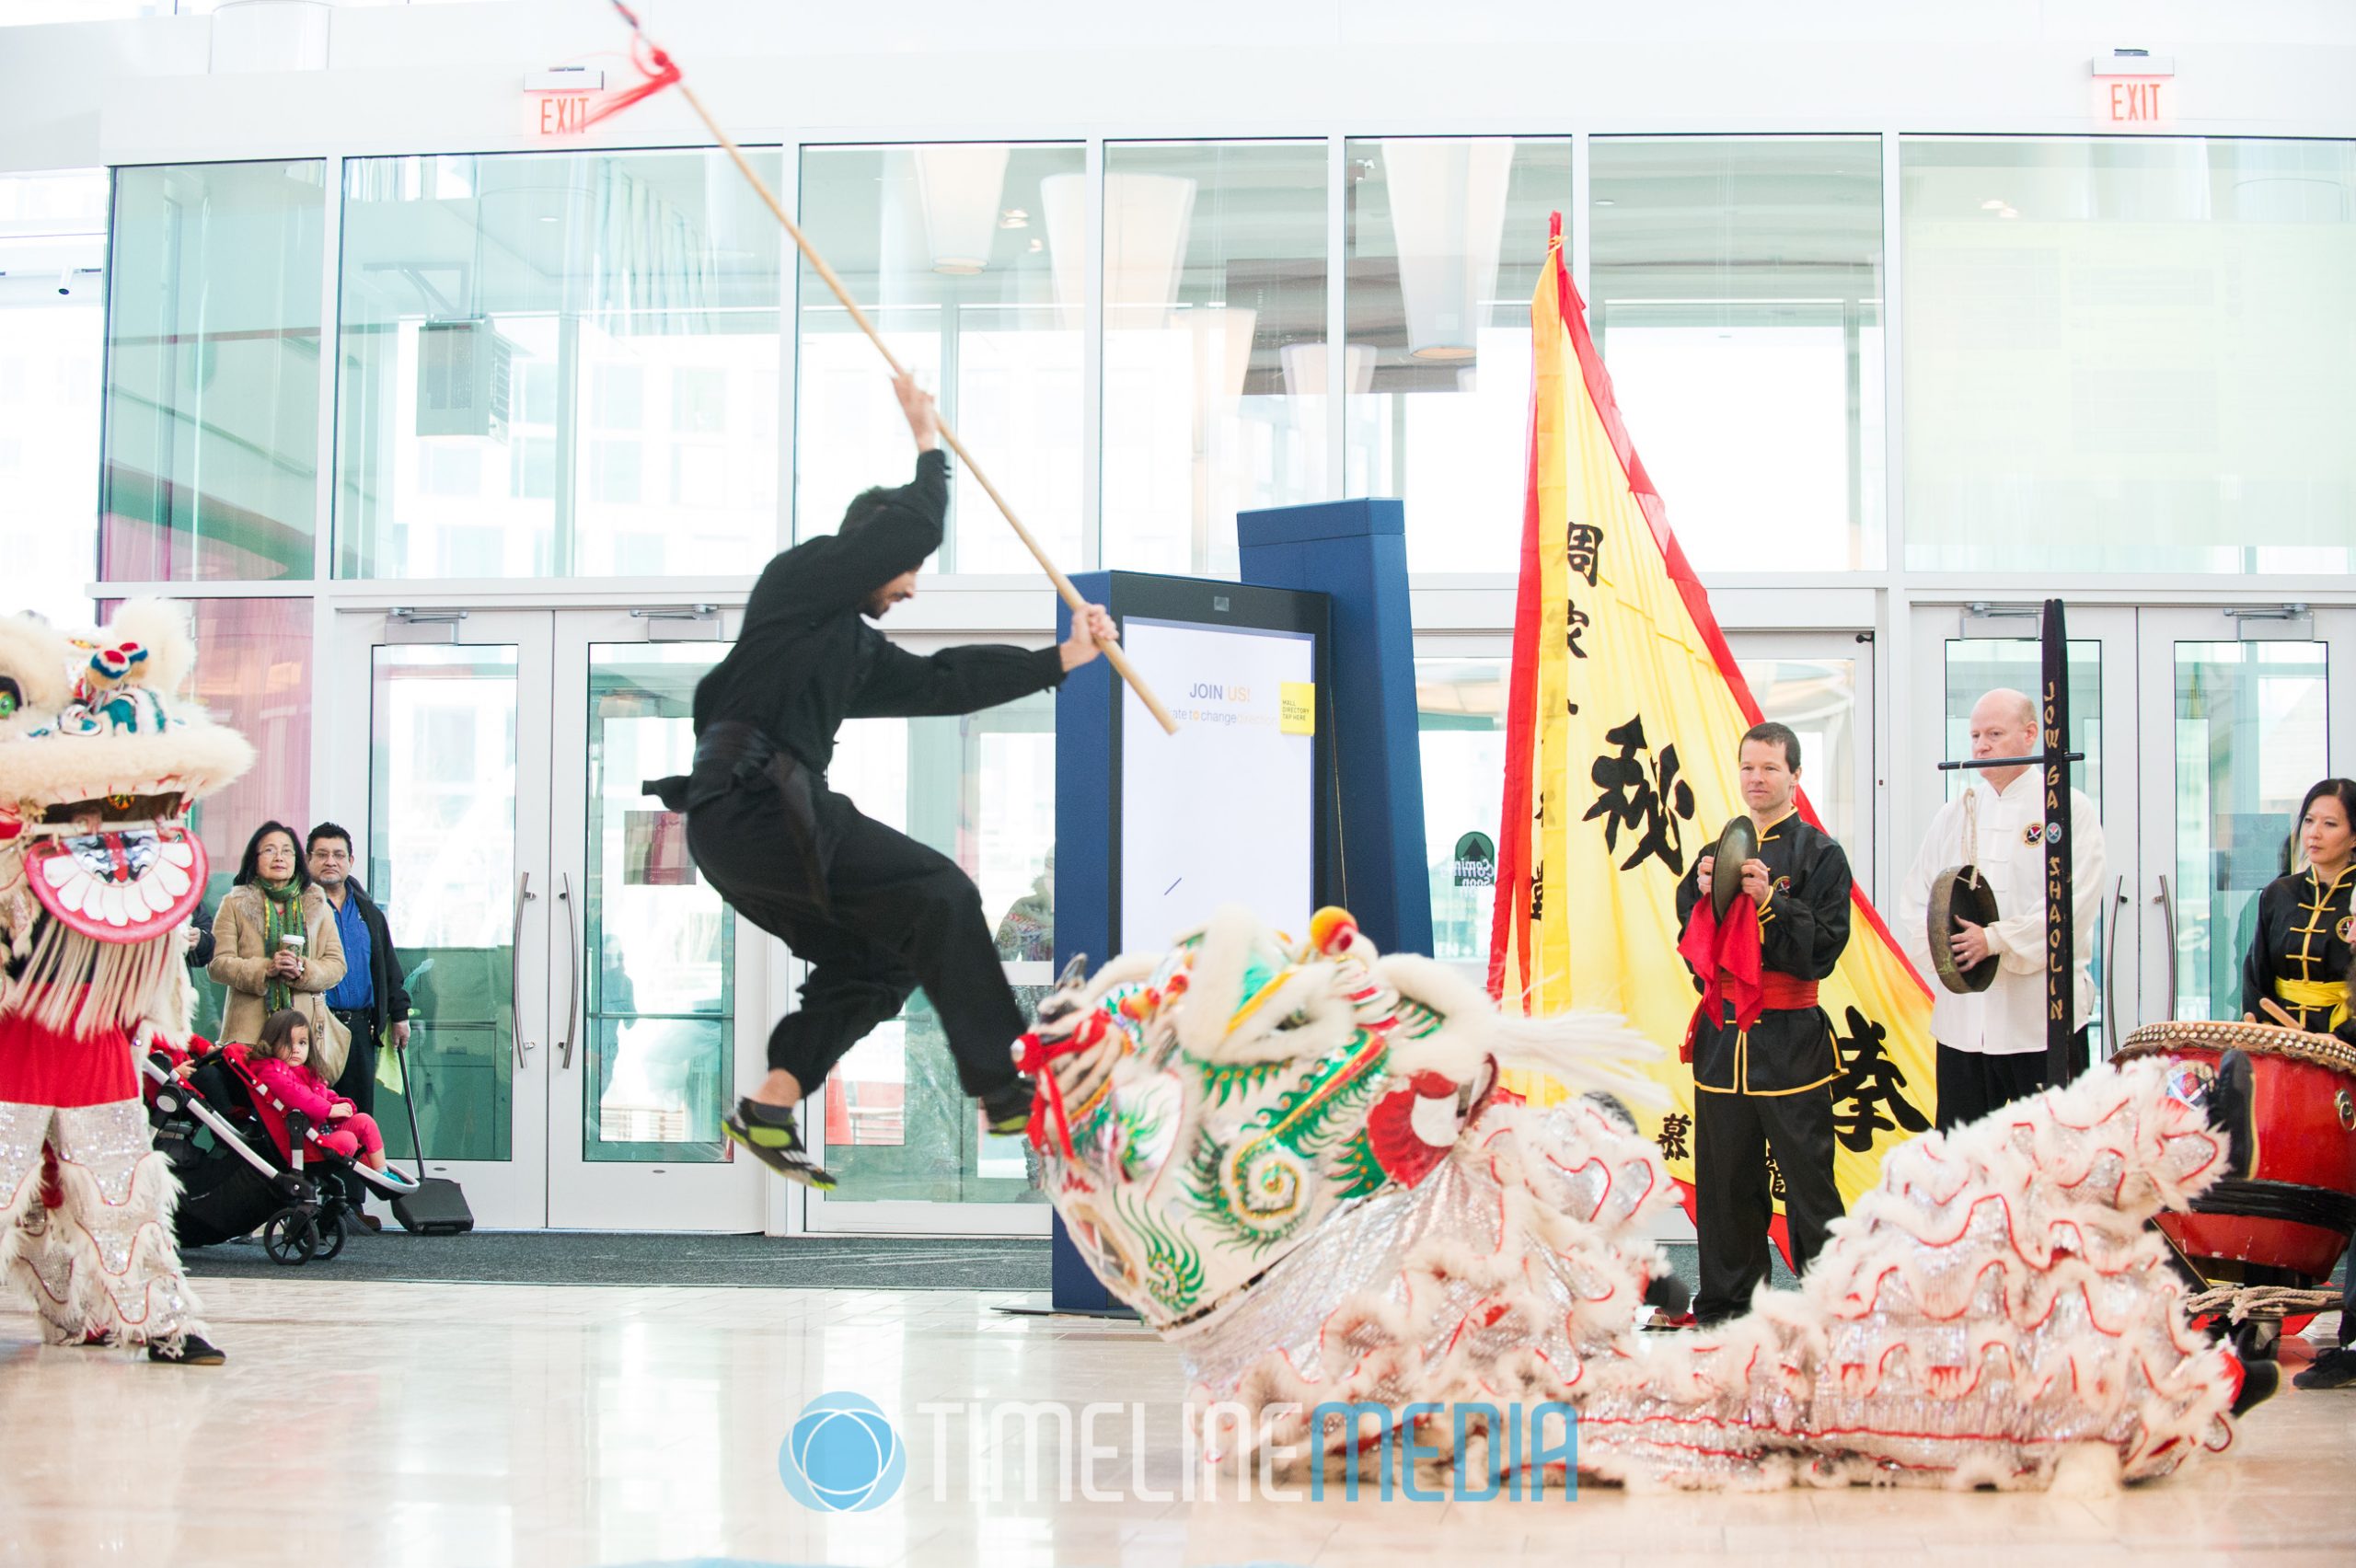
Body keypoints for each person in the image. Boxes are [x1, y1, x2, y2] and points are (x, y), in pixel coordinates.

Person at [652, 372, 1120, 1188]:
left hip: (748, 828)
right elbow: (910, 525)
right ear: (870, 550)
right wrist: (927, 442)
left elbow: (945, 684)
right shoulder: (799, 581)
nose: (910, 586)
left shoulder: (850, 647)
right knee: (942, 891)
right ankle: (1006, 1092)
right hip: (756, 808)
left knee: (881, 959)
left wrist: (1063, 659)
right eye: (904, 570)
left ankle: (772, 1099)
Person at [1675, 721, 1852, 1326]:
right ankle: (1728, 1311)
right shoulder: (1717, 850)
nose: (1757, 778)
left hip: (1790, 1040)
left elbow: (1826, 948)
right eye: (1748, 767)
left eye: (1771, 768)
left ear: (1796, 777)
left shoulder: (1821, 854)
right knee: (1726, 1186)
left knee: (1810, 1186)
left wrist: (1774, 904)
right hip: (1724, 1041)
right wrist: (1702, 892)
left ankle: (1832, 1308)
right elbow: (1691, 941)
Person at [1896, 688, 2106, 1130]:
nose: (1980, 746)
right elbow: (1920, 897)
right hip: (1965, 1020)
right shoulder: (1955, 813)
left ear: (2031, 734)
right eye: (1974, 735)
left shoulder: (2067, 808)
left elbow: (2072, 903)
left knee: (2054, 1153)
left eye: (1994, 733)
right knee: (1963, 1154)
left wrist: (1994, 940)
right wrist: (1946, 953)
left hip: (2040, 1016)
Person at [2244, 778, 2356, 1391]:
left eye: (2330, 824)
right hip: (2290, 1061)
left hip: (2349, 1057)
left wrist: (2343, 1040)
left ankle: (2351, 1340)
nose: (2314, 834)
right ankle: (2256, 1325)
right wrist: (2271, 1041)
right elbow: (2255, 980)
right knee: (2274, 1188)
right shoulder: (2279, 895)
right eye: (2310, 821)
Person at [306, 822, 411, 1230]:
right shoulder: (302, 908)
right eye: (321, 855)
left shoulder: (368, 912)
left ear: (350, 861)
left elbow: (388, 967)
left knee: (357, 1117)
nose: (330, 862)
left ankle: (351, 1204)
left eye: (338, 855)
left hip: (359, 1029)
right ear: (309, 860)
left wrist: (398, 1015)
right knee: (314, 1116)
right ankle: (316, 1205)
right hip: (315, 1029)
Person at [209, 822, 350, 1080]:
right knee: (247, 1114)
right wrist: (265, 969)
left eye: (287, 851)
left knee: (302, 1112)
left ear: (297, 859)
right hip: (248, 1035)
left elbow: (336, 964)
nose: (279, 858)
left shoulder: (317, 902)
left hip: (302, 1037)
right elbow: (217, 964)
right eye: (270, 850)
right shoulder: (234, 903)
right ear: (255, 857)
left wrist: (303, 970)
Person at [245, 1009, 391, 1173]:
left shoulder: (305, 1072)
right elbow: (298, 1096)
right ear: (272, 1043)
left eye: (302, 1043)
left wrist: (340, 1104)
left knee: (365, 1121)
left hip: (319, 1131)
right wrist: (328, 1110)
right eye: (288, 1043)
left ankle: (383, 1172)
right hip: (304, 1142)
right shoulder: (272, 1072)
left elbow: (322, 1093)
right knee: (347, 1140)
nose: (296, 1049)